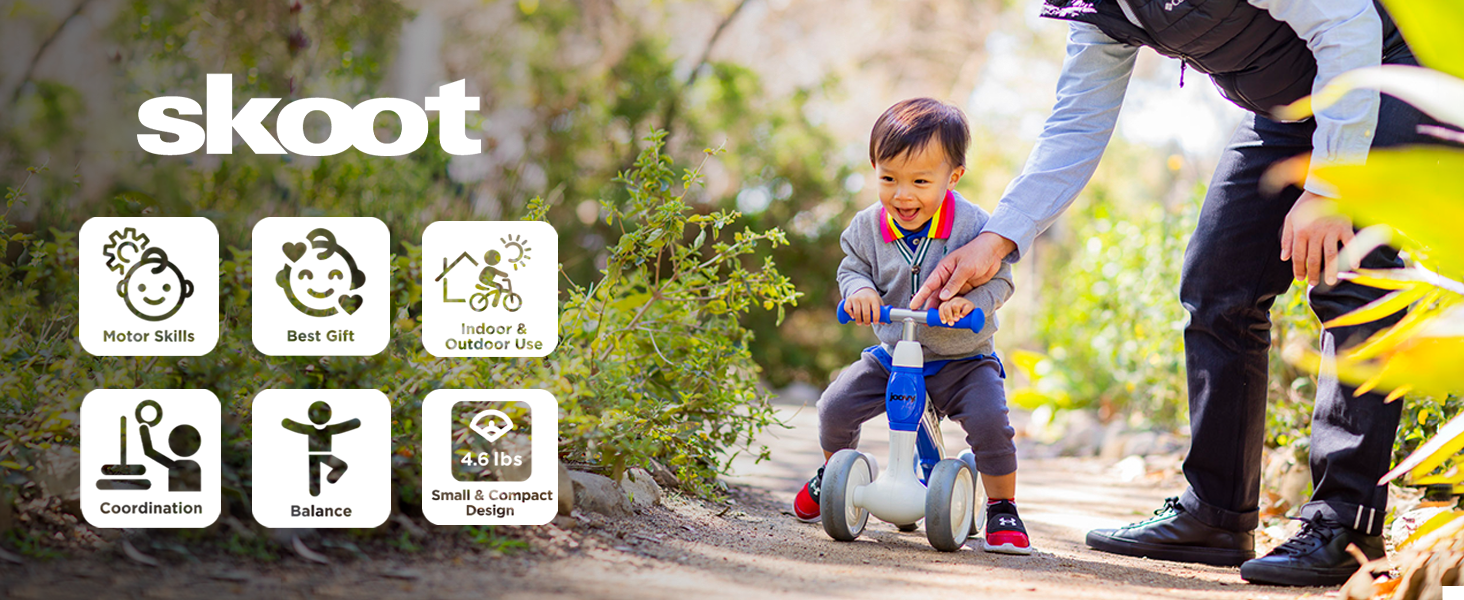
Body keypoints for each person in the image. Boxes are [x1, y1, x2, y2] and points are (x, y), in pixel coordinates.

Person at [910, 0, 1455, 586]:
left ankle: (1346, 524)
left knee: (1349, 271)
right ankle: (1217, 514)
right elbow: (1076, 124)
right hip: (1288, 103)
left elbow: (1347, 24)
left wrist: (1329, 186)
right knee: (1219, 284)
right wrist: (996, 240)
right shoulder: (1095, 9)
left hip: (1381, 68)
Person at [792, 98, 1029, 554]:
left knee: (990, 423)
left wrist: (971, 302)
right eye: (888, 179)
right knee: (835, 405)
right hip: (893, 353)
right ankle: (833, 472)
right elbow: (852, 268)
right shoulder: (867, 227)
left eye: (921, 181)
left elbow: (1001, 280)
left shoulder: (975, 226)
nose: (903, 195)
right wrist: (859, 291)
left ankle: (1002, 507)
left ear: (952, 176)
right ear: (874, 168)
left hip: (964, 357)